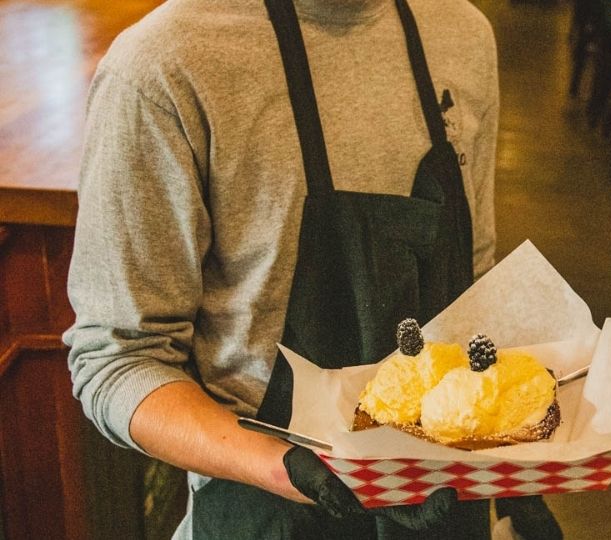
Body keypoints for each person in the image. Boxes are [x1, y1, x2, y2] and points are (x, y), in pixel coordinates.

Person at [63, 0, 561, 538]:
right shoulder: (163, 66)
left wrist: (512, 477)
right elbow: (118, 360)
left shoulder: (461, 34)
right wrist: (287, 468)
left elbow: (474, 281)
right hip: (270, 510)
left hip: (447, 501)